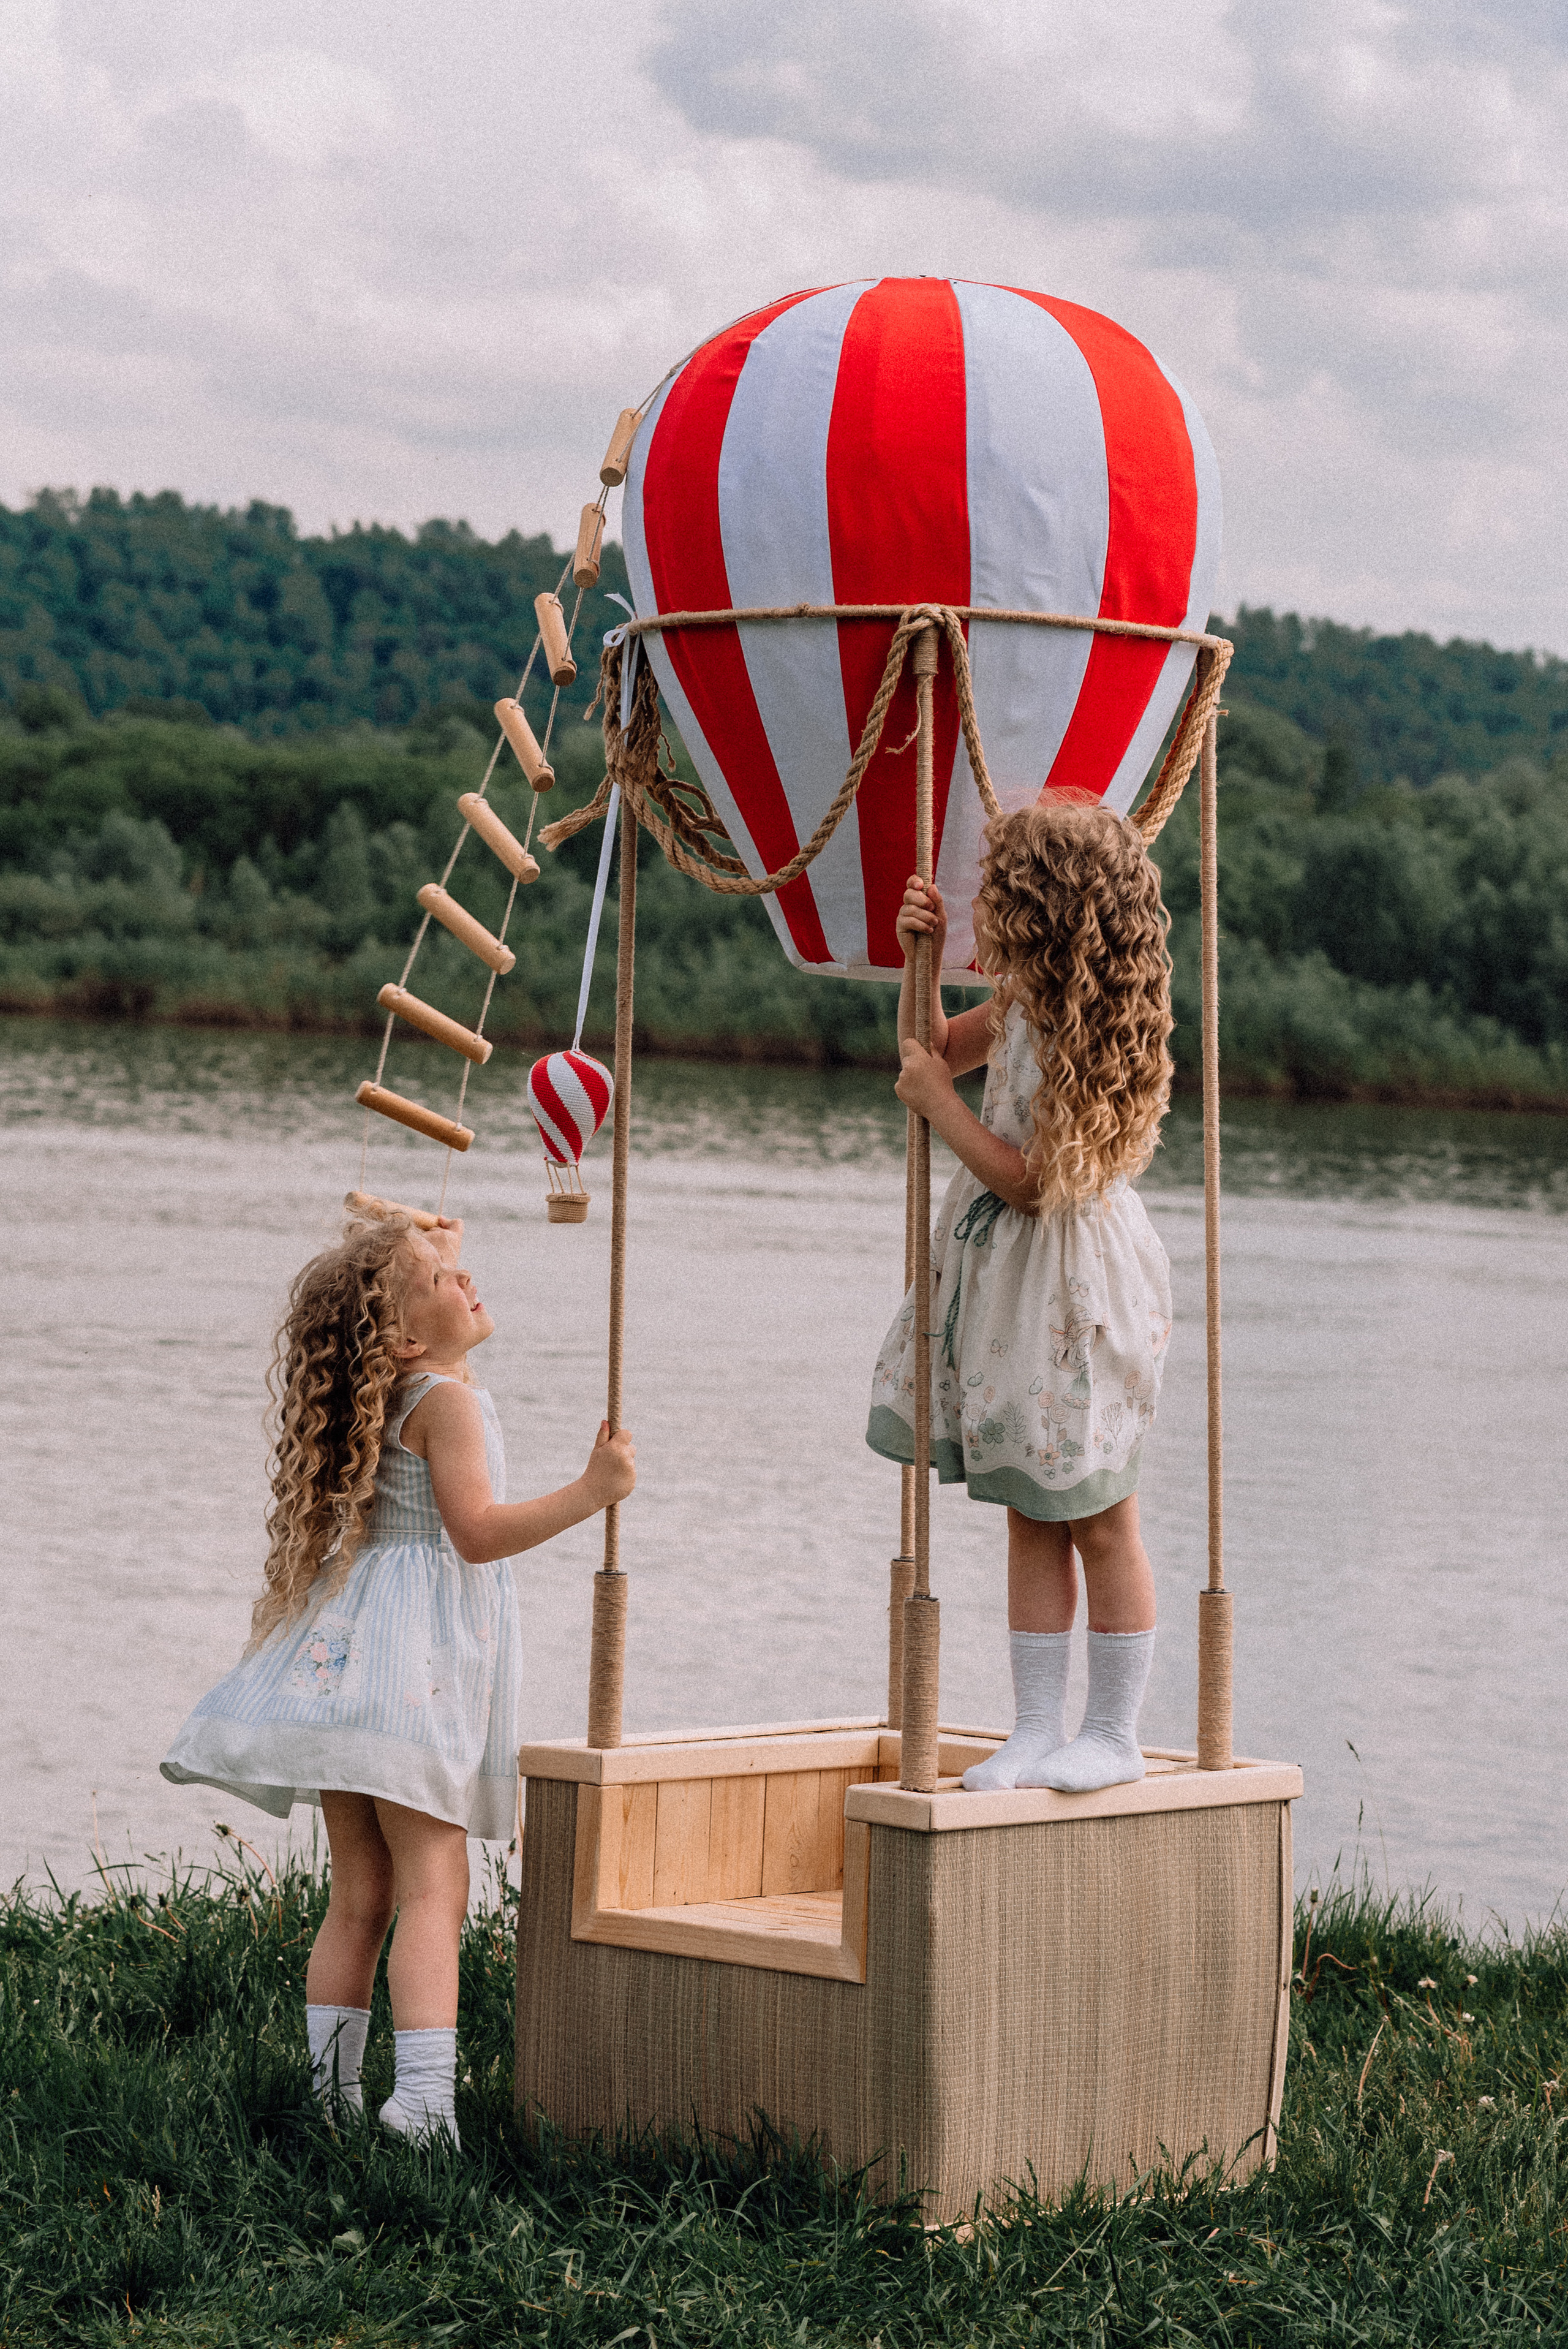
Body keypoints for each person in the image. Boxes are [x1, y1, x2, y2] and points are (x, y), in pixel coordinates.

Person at [161, 1211, 635, 2146]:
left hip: (356, 1673)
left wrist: (428, 1251)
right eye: (447, 1278)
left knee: (360, 1892)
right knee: (434, 1884)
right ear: (409, 1333)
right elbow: (477, 1532)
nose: (468, 1280)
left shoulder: (397, 1386)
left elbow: (414, 1302)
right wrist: (592, 1491)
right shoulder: (448, 1402)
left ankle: (331, 2099)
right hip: (412, 1674)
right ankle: (421, 2103)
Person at [867, 799, 1173, 1795]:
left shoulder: (1089, 1026)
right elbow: (930, 1052)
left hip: (1073, 1288)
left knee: (1098, 1510)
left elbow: (1038, 1179)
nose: (988, 910)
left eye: (1001, 899)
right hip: (1014, 1284)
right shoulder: (1025, 1000)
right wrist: (923, 958)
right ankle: (1038, 1725)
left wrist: (941, 1109)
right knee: (1029, 1505)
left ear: (1048, 911)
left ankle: (1114, 1731)